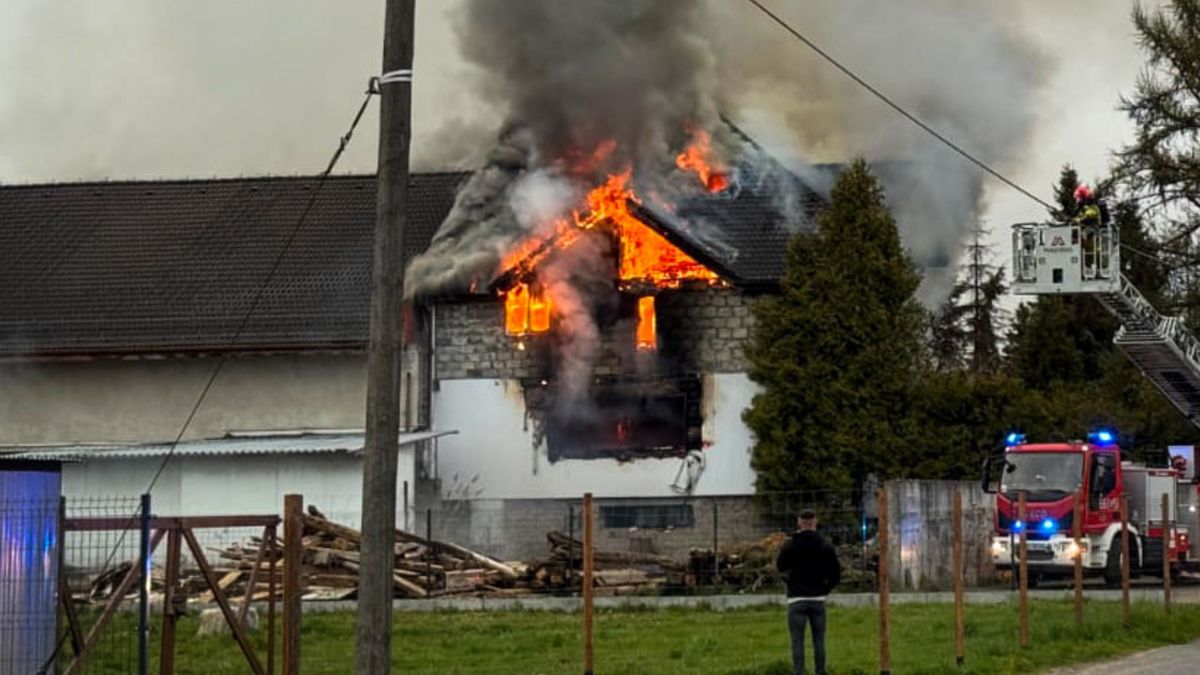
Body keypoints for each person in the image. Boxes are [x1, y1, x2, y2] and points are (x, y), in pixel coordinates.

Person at [776, 510, 841, 675]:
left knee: (797, 641)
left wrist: (789, 583)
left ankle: (799, 672)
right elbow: (835, 573)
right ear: (815, 522)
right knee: (819, 640)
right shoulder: (825, 545)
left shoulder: (790, 545)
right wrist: (825, 590)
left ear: (799, 522)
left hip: (796, 598)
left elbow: (780, 566)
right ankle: (820, 671)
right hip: (818, 598)